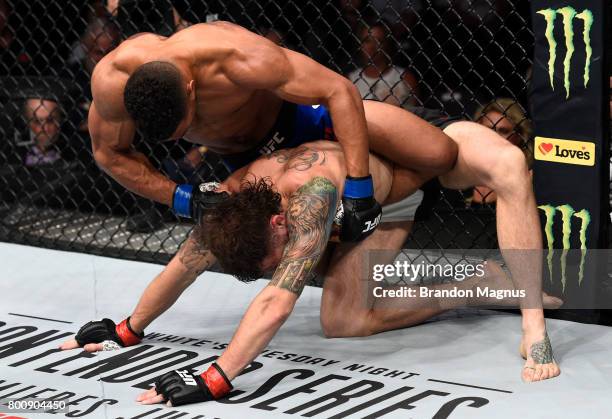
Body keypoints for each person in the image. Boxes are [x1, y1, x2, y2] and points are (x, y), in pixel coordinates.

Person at [61, 114, 561, 405]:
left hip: (418, 167)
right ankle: (481, 283)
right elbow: (182, 265)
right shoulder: (233, 204)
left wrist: (215, 378)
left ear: (278, 224)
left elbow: (276, 303)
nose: (275, 269)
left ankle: (532, 324)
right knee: (343, 322)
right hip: (380, 214)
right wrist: (127, 328)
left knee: (509, 166)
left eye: (271, 260)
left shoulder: (311, 198)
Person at [88, 20, 458, 242]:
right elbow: (108, 153)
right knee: (277, 248)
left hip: (301, 118)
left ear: (190, 89)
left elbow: (338, 90)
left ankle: (387, 195)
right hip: (246, 158)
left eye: (188, 122)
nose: (193, 131)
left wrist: (360, 189)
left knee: (440, 155)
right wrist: (179, 197)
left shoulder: (235, 56)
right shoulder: (111, 82)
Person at [470, 98, 533, 205]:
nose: (495, 137)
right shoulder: (459, 172)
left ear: (520, 136)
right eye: (489, 129)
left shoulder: (530, 179)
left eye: (503, 131)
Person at [347, 22, 419, 107]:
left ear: (387, 44)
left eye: (378, 41)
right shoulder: (351, 80)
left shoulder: (405, 78)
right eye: (367, 41)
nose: (372, 47)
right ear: (360, 45)